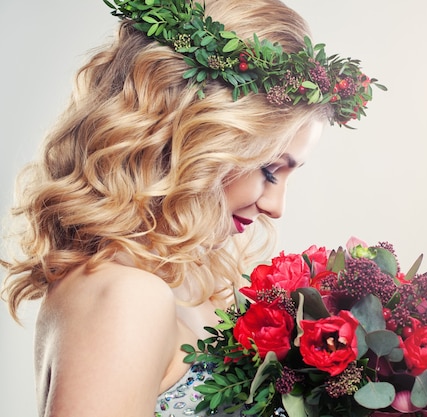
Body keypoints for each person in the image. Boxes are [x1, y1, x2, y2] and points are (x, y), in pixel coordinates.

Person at [1, 0, 381, 416]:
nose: (276, 207)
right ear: (197, 136)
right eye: (269, 170)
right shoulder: (126, 296)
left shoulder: (189, 280)